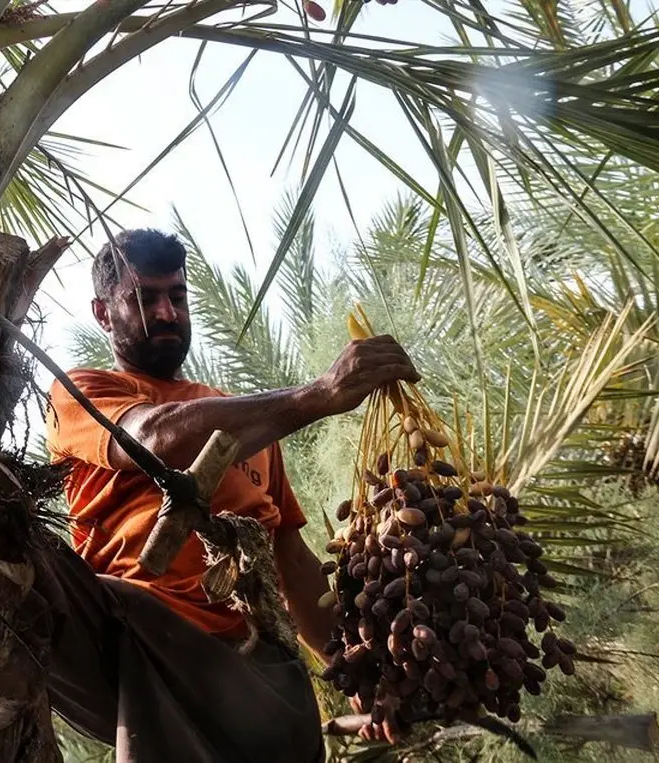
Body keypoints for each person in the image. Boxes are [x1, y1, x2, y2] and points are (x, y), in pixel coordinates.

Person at [35, 228, 420, 762]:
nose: (166, 313)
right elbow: (152, 438)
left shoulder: (254, 425)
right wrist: (316, 396)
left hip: (250, 672)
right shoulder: (81, 391)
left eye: (177, 296)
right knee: (23, 553)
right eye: (144, 298)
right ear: (103, 314)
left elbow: (292, 563)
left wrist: (360, 669)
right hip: (134, 634)